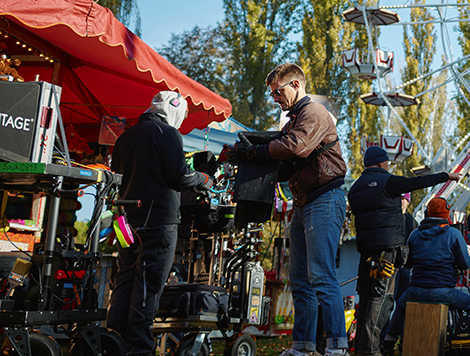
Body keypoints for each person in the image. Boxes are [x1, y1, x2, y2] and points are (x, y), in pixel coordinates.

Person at [224, 63, 348, 356]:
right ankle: (302, 346)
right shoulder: (293, 120)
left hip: (324, 198)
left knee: (321, 275)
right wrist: (247, 160)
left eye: (277, 92)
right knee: (300, 280)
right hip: (305, 202)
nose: (274, 99)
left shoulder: (314, 113)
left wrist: (255, 152)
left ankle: (337, 347)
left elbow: (296, 147)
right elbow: (284, 161)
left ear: (295, 85)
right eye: (272, 94)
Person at [106, 91, 212, 356]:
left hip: (126, 221)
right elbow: (179, 176)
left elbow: (115, 175)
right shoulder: (167, 134)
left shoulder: (125, 136)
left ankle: (112, 343)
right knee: (148, 287)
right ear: (174, 110)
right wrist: (203, 179)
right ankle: (140, 349)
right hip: (158, 222)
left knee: (125, 281)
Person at [348, 146, 460, 356]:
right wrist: (446, 176)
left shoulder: (354, 189)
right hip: (388, 251)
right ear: (382, 163)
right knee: (381, 299)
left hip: (366, 252)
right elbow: (416, 182)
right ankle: (371, 350)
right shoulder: (387, 181)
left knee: (365, 298)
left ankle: (362, 347)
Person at [382, 197, 470, 349]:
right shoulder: (453, 234)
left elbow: (408, 263)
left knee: (401, 306)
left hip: (416, 290)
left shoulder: (415, 234)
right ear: (446, 213)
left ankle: (389, 340)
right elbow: (465, 264)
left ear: (428, 212)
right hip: (443, 290)